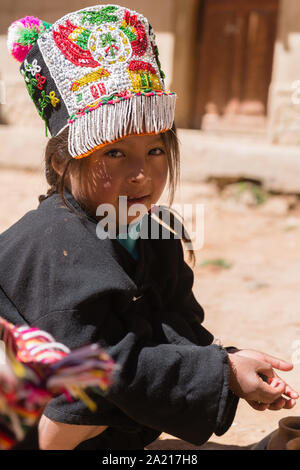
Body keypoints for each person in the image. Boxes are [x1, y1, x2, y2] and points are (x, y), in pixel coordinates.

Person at [2, 5, 298, 450]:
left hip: (99, 420)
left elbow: (178, 325)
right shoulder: (54, 241)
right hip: (30, 425)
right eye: (115, 153)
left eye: (156, 150)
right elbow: (100, 364)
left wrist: (229, 364)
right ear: (62, 161)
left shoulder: (154, 230)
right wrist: (220, 375)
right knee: (89, 395)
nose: (141, 173)